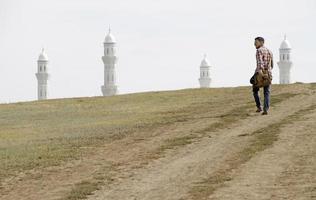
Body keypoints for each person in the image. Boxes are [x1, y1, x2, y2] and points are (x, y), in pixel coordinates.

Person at [253, 37, 273, 115]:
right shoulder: (270, 51)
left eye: (256, 42)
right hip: (269, 73)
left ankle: (259, 107)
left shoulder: (259, 51)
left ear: (261, 42)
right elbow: (272, 64)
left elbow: (260, 62)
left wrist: (260, 72)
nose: (254, 44)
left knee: (255, 90)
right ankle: (266, 109)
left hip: (260, 74)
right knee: (266, 91)